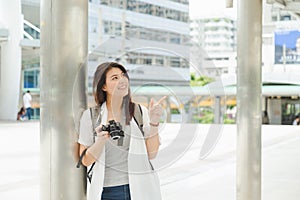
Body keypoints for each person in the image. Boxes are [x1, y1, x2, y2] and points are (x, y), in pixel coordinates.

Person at [77, 62, 165, 200]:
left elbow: (151, 154)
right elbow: (85, 161)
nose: (122, 80)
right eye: (114, 78)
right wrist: (100, 141)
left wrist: (154, 122)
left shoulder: (139, 112)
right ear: (104, 86)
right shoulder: (91, 116)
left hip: (140, 186)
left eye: (123, 76)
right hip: (108, 191)